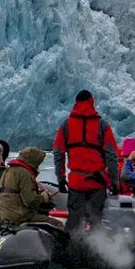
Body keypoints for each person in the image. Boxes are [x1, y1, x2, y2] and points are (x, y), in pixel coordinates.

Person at [52, 90, 119, 235]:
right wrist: (114, 181)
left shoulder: (66, 126)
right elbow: (111, 155)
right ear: (91, 102)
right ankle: (96, 252)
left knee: (74, 221)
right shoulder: (102, 126)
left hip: (76, 182)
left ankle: (70, 251)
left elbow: (58, 153)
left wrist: (61, 178)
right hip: (97, 182)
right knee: (96, 221)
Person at [0, 147, 61, 227]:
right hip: (21, 217)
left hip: (6, 216)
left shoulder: (8, 171)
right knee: (58, 224)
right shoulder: (24, 173)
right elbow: (30, 200)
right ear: (33, 160)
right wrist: (44, 197)